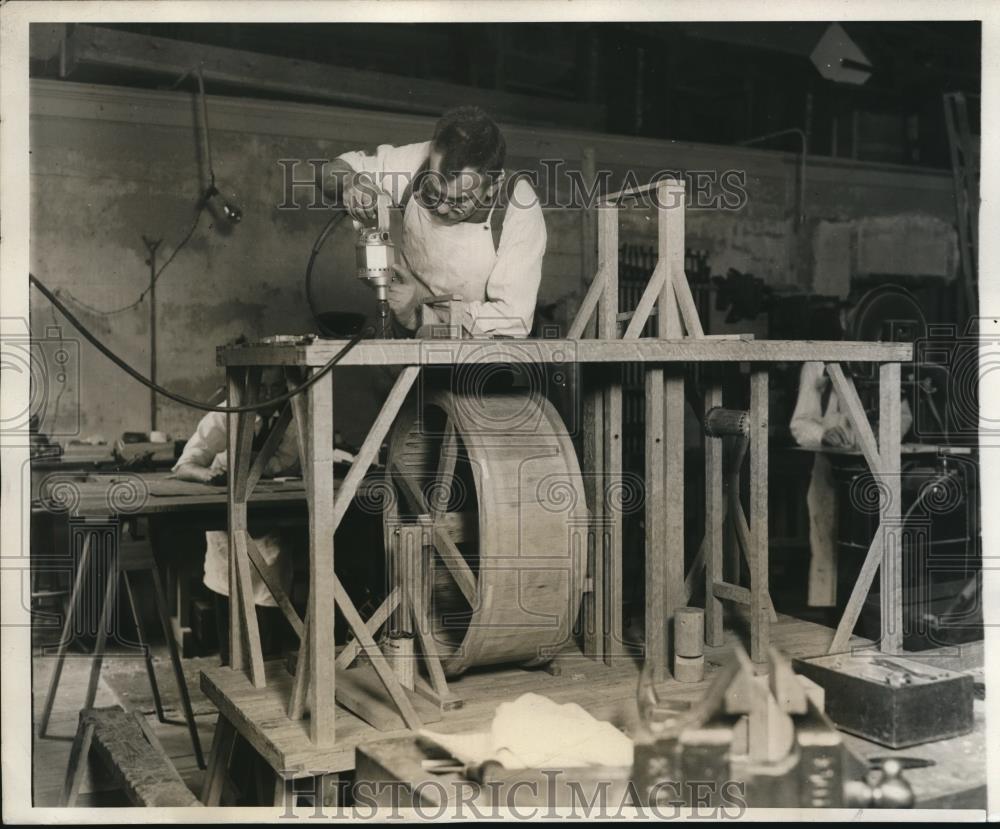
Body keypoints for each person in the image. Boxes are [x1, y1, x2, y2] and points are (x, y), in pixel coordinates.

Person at [326, 105, 547, 338]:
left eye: (458, 201)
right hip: (411, 334)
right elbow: (333, 169)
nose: (441, 207)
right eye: (433, 191)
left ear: (493, 185)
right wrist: (351, 183)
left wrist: (421, 313)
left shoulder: (518, 206)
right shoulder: (417, 161)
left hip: (484, 352)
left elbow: (512, 319)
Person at [171, 367, 300, 659]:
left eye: (277, 388)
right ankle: (233, 681)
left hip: (270, 526)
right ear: (249, 383)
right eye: (262, 387)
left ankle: (267, 688)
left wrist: (253, 463)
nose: (269, 395)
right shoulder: (226, 414)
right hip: (227, 531)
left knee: (269, 622)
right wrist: (208, 476)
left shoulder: (292, 415)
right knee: (230, 624)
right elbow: (184, 465)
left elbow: (289, 463)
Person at [789, 312, 913, 608]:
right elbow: (799, 423)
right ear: (843, 326)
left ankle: (872, 612)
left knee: (875, 543)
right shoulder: (818, 364)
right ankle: (826, 616)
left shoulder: (884, 361)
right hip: (830, 468)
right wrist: (824, 434)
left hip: (875, 467)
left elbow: (903, 415)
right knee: (826, 542)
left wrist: (879, 434)